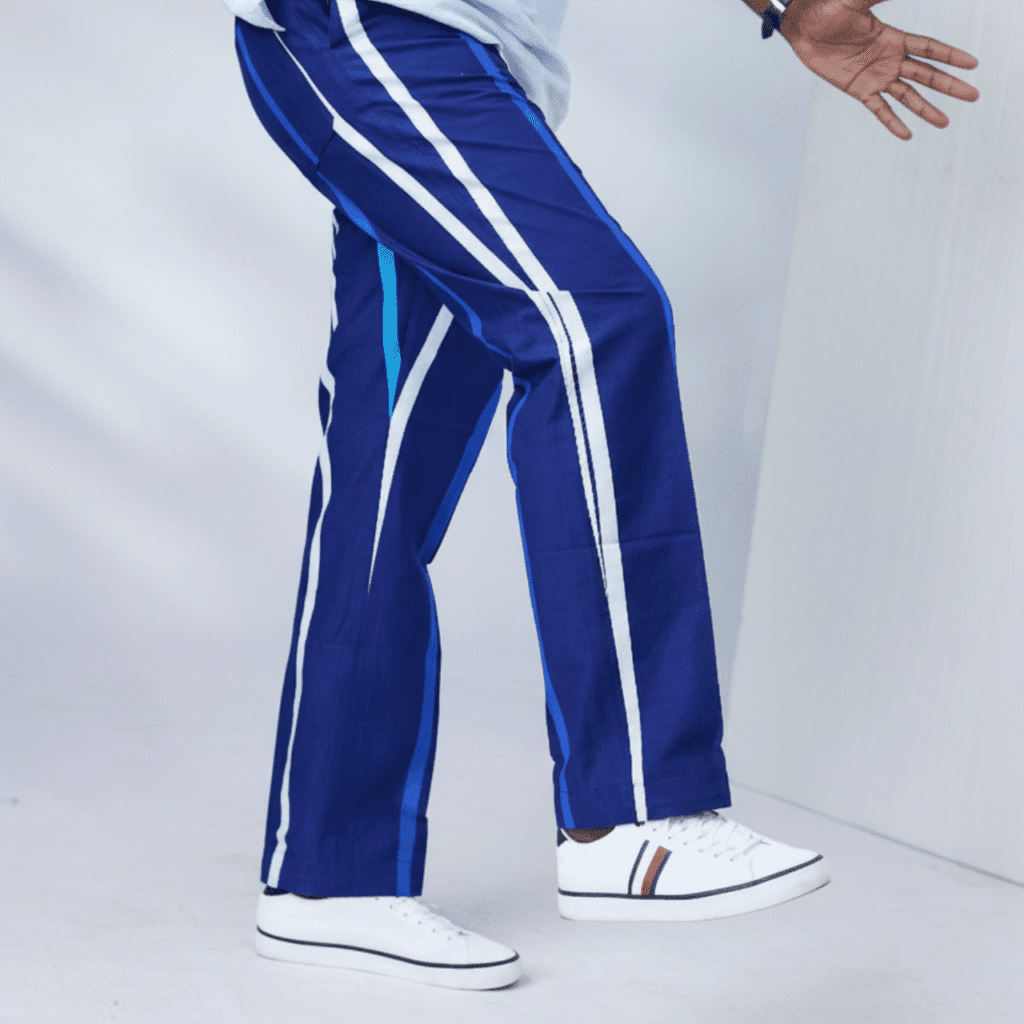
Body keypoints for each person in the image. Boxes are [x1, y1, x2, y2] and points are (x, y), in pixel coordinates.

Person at [225, 0, 980, 991]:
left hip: (446, 51)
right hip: (375, 29)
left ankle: (331, 877)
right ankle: (633, 814)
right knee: (597, 322)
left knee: (388, 457)